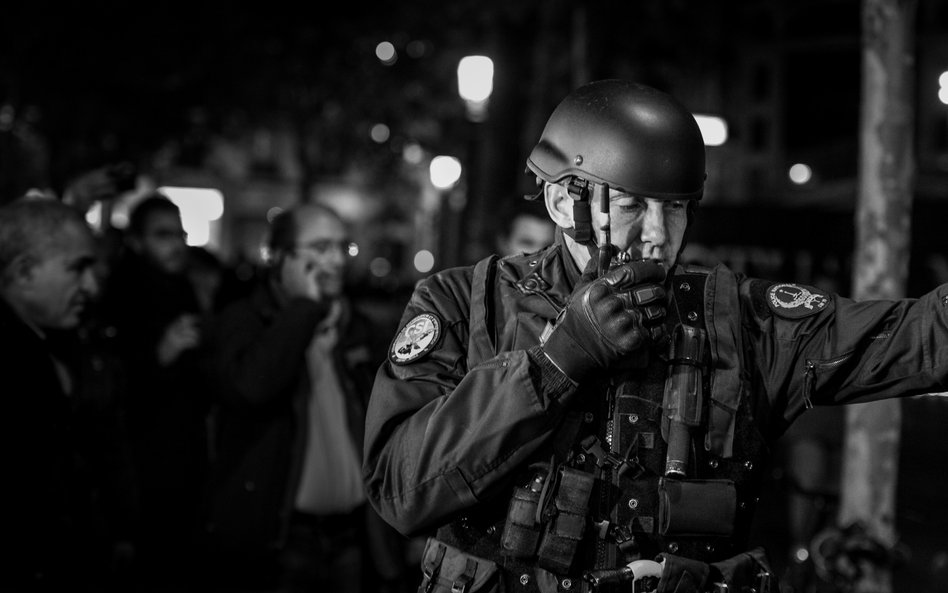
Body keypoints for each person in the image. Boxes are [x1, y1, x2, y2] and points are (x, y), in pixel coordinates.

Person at [362, 79, 948, 593]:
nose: (659, 235)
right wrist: (555, 363)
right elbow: (399, 489)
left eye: (675, 208)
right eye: (633, 205)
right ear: (564, 200)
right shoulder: (464, 303)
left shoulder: (740, 320)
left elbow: (919, 337)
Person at [198, 202, 410, 593]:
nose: (336, 260)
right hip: (280, 542)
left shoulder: (358, 328)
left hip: (352, 536)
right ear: (280, 257)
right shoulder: (243, 320)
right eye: (320, 247)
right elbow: (251, 388)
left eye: (342, 247)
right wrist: (303, 309)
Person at [0, 196, 133, 591]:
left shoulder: (59, 346)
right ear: (24, 272)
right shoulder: (22, 361)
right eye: (77, 268)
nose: (91, 286)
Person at [98, 192, 209, 591]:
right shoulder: (120, 294)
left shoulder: (182, 286)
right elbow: (109, 392)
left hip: (182, 460)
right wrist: (160, 354)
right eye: (163, 235)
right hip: (140, 470)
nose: (177, 244)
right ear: (136, 241)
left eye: (180, 234)